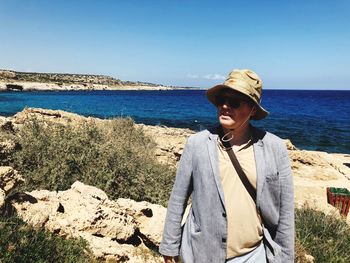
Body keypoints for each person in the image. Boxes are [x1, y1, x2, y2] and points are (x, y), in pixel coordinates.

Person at [159, 69, 294, 263]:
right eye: (222, 99)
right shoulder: (196, 144)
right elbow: (178, 198)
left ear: (253, 110)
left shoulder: (275, 148)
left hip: (254, 255)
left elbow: (286, 211)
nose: (225, 106)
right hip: (200, 253)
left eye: (234, 102)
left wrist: (285, 258)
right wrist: (169, 245)